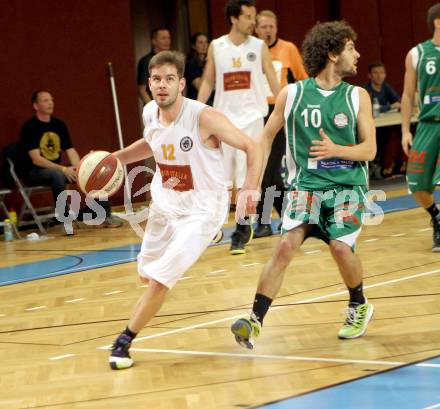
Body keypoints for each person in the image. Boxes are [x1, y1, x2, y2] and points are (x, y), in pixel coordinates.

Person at [108, 51, 261, 370]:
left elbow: (252, 146)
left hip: (202, 209)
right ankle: (199, 238)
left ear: (181, 84)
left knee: (160, 281)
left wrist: (249, 186)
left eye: (169, 79)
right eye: (156, 79)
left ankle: (124, 341)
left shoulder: (203, 117)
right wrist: (117, 158)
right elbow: (151, 142)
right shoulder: (150, 112)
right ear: (148, 84)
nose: (162, 85)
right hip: (165, 202)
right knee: (145, 274)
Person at [230, 21, 376, 350]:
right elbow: (265, 139)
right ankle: (254, 322)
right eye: (351, 48)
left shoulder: (357, 96)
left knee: (340, 247)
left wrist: (337, 150)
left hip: (347, 187)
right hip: (306, 186)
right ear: (332, 53)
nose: (358, 54)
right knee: (284, 246)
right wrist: (251, 185)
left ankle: (359, 305)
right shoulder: (292, 94)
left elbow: (370, 150)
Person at [198, 0, 280, 255]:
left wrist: (284, 109)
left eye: (253, 16)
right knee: (223, 178)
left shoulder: (259, 47)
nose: (252, 22)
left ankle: (242, 229)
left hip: (253, 119)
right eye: (247, 16)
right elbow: (208, 80)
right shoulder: (217, 46)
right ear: (234, 19)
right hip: (224, 120)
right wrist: (193, 112)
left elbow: (272, 79)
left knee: (248, 178)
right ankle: (212, 225)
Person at [19, 91, 122, 234]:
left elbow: (71, 151)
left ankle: (103, 215)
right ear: (36, 106)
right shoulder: (30, 127)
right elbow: (37, 159)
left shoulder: (58, 124)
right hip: (34, 172)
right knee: (58, 175)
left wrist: (82, 167)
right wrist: (63, 169)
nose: (50, 103)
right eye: (45, 100)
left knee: (93, 170)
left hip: (57, 169)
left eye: (51, 100)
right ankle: (65, 220)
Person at [253, 9, 308, 238]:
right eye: (263, 26)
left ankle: (265, 222)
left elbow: (303, 79)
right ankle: (290, 218)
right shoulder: (251, 50)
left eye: (271, 27)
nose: (267, 31)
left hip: (277, 113)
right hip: (254, 115)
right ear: (256, 28)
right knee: (271, 174)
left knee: (266, 170)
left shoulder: (288, 49)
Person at [401, 3, 440, 252]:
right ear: (437, 22)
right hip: (427, 124)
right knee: (416, 182)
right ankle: (436, 217)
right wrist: (405, 130)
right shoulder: (417, 54)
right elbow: (407, 95)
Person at [365, 62, 405, 178]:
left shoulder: (386, 87)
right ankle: (386, 166)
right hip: (371, 128)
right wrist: (390, 107)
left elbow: (399, 102)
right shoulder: (365, 90)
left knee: (398, 132)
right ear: (369, 75)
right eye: (375, 73)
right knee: (388, 135)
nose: (379, 76)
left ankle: (397, 165)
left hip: (386, 125)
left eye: (382, 73)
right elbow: (369, 109)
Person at [137, 27, 171, 104]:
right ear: (154, 41)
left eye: (169, 38)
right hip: (156, 106)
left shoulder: (172, 60)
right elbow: (142, 89)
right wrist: (152, 108)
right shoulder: (146, 61)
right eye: (163, 38)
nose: (167, 41)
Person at [184, 32, 213, 103]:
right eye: (200, 42)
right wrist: (208, 64)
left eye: (206, 42)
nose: (204, 45)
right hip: (197, 102)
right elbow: (200, 87)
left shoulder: (210, 62)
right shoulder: (191, 64)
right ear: (194, 46)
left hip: (212, 102)